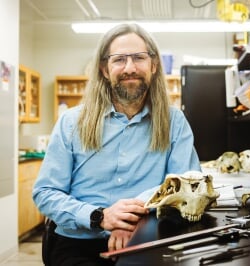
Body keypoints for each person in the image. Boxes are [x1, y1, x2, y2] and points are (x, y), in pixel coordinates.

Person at [32, 23, 201, 266]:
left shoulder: (174, 122)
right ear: (104, 68)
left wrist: (131, 219)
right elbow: (45, 193)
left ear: (153, 65)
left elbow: (186, 186)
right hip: (79, 243)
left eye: (139, 58)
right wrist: (101, 217)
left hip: (148, 237)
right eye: (119, 59)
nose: (130, 68)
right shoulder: (71, 122)